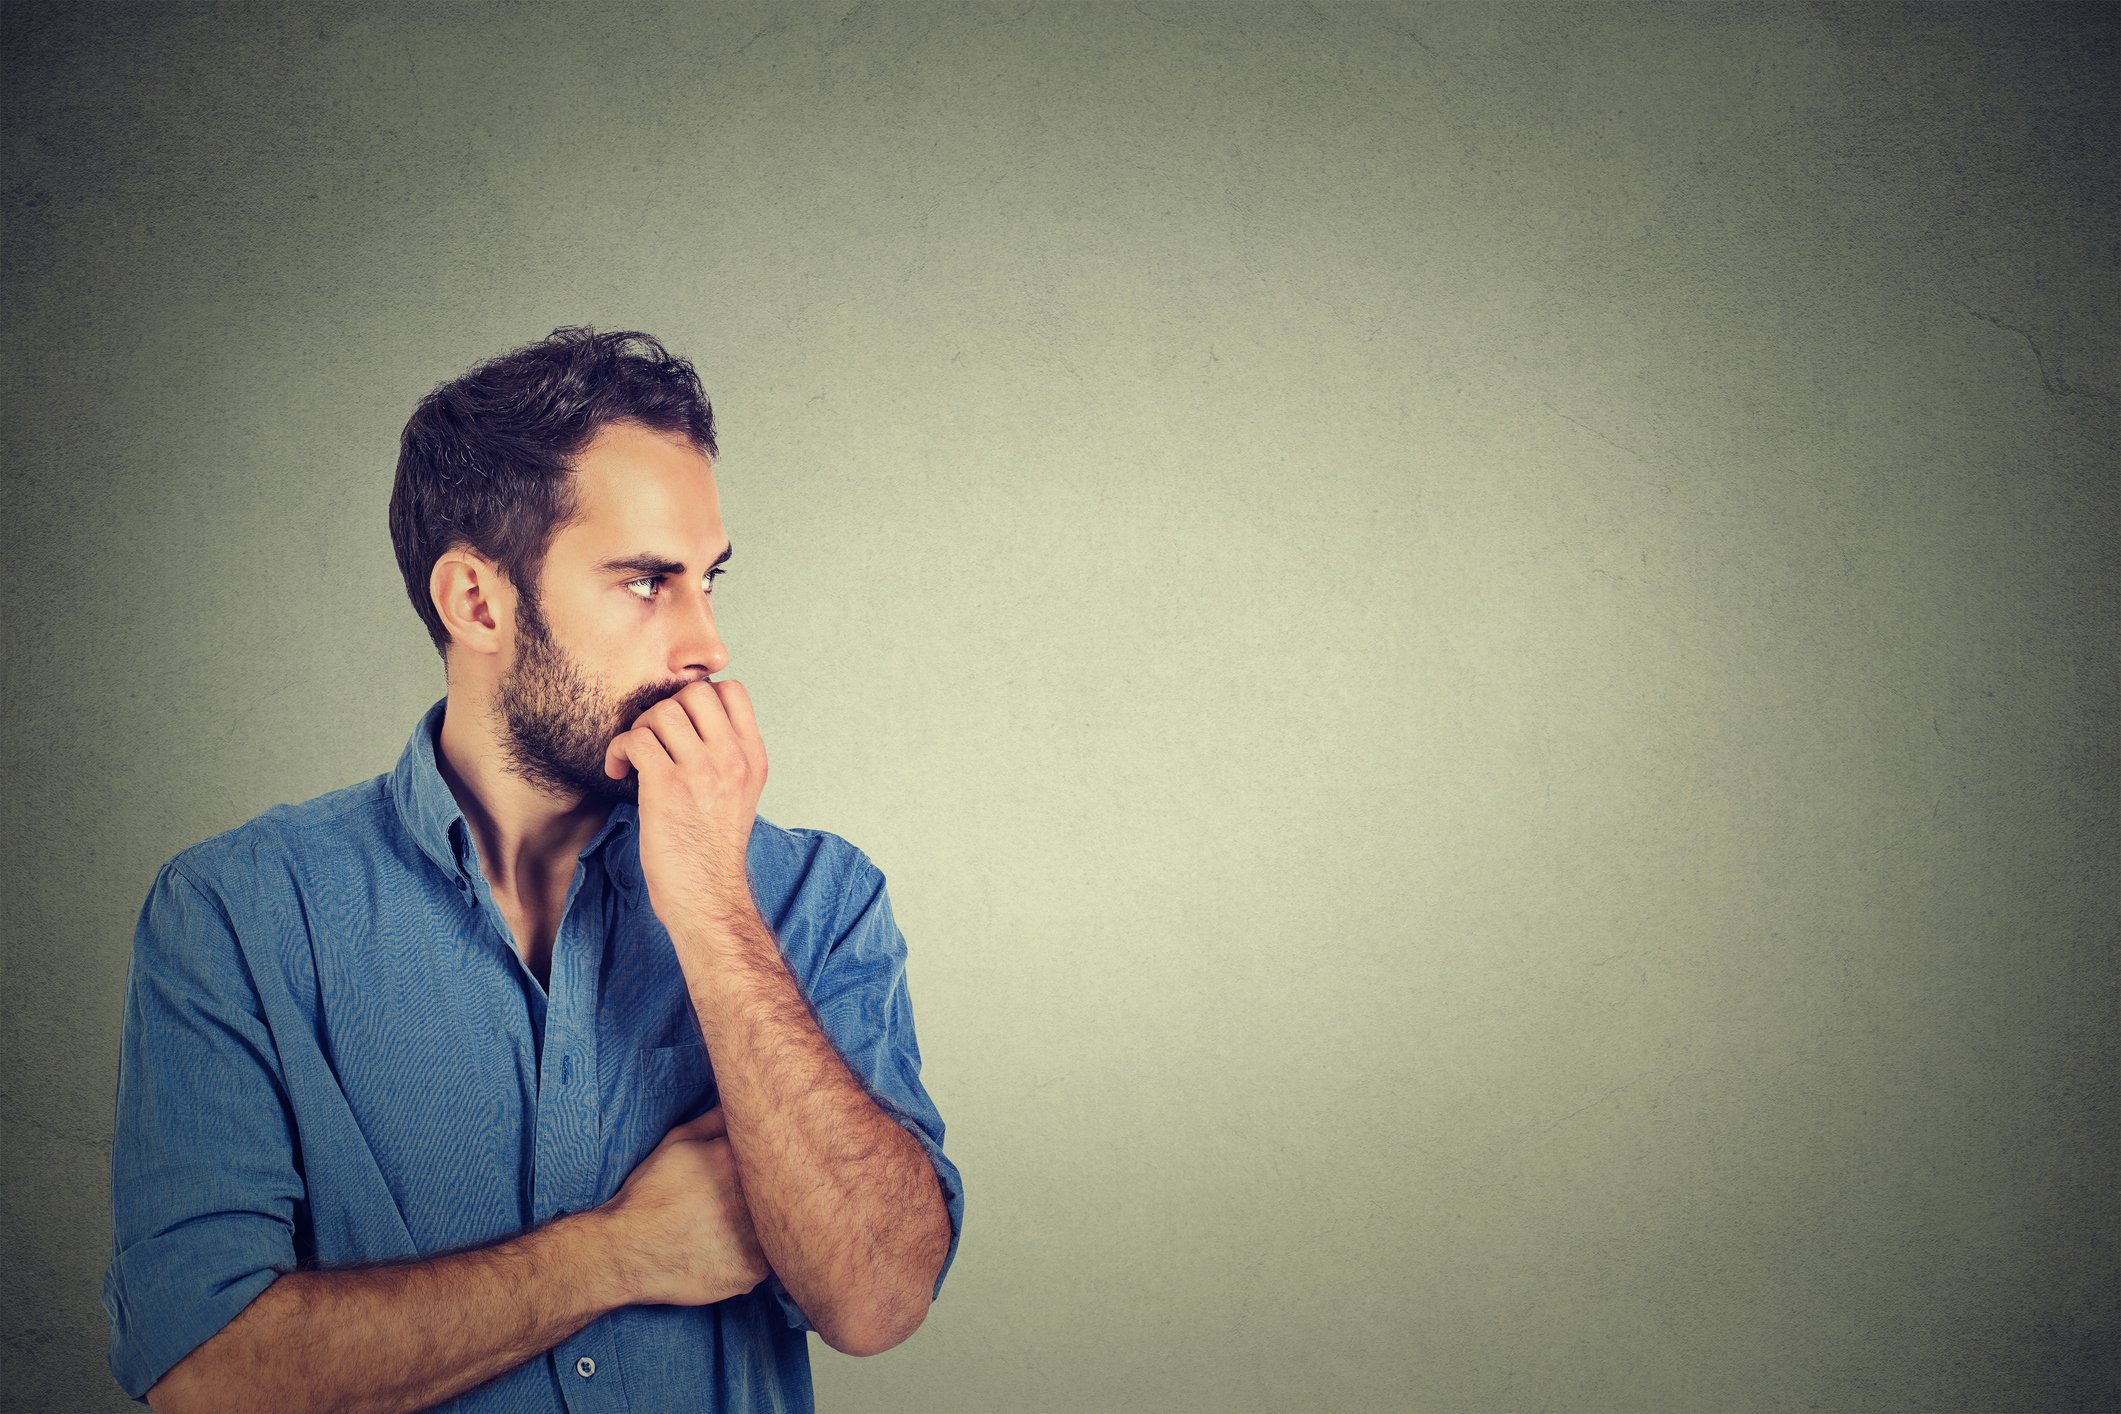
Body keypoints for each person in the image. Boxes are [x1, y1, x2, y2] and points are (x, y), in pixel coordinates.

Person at [101, 326, 965, 1413]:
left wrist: (707, 903)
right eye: (649, 582)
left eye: (709, 580)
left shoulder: (817, 901)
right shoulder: (238, 915)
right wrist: (620, 1253)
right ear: (477, 601)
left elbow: (881, 1300)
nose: (708, 644)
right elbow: (204, 1373)